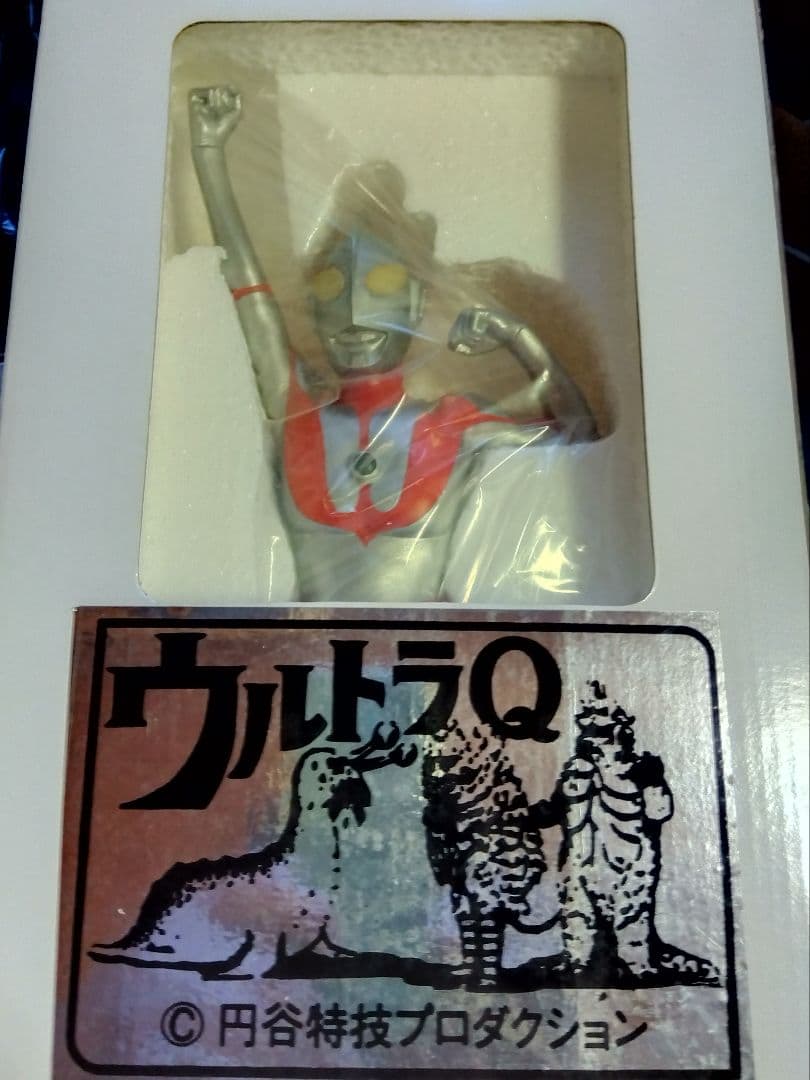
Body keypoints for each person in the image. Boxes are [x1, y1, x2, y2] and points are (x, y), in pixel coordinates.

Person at [189, 86, 596, 602]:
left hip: (431, 648)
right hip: (306, 645)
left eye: (381, 287)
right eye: (332, 289)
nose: (355, 317)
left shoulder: (452, 423)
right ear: (313, 309)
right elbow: (250, 296)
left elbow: (578, 431)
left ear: (415, 304)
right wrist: (208, 152)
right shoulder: (296, 411)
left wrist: (515, 334)